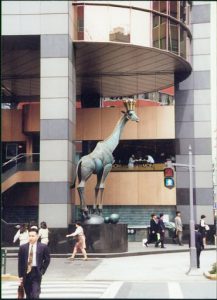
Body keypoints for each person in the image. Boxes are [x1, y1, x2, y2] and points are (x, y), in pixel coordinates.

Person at [18, 227, 50, 299]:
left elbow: (47, 259)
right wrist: (20, 276)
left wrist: (42, 270)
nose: (31, 238)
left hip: (36, 272)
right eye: (29, 236)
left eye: (33, 236)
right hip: (26, 273)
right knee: (28, 295)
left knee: (35, 294)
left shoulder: (43, 247)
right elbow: (20, 262)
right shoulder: (23, 247)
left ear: (37, 236)